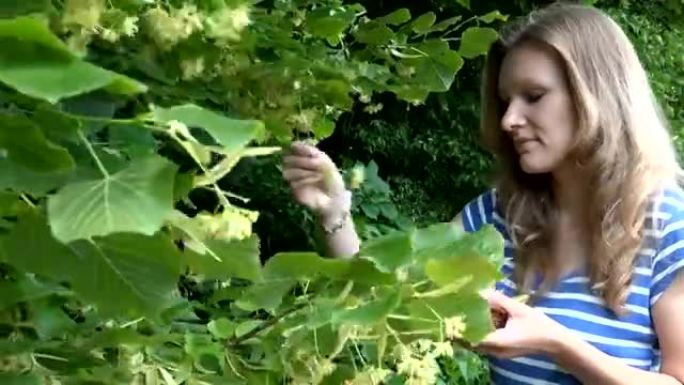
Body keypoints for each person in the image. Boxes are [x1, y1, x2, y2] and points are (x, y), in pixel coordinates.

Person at [282, 2, 684, 384]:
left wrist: (558, 344)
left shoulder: (667, 223)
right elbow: (387, 304)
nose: (510, 119)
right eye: (506, 101)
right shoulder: (499, 215)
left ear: (597, 95)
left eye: (534, 96)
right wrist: (334, 213)